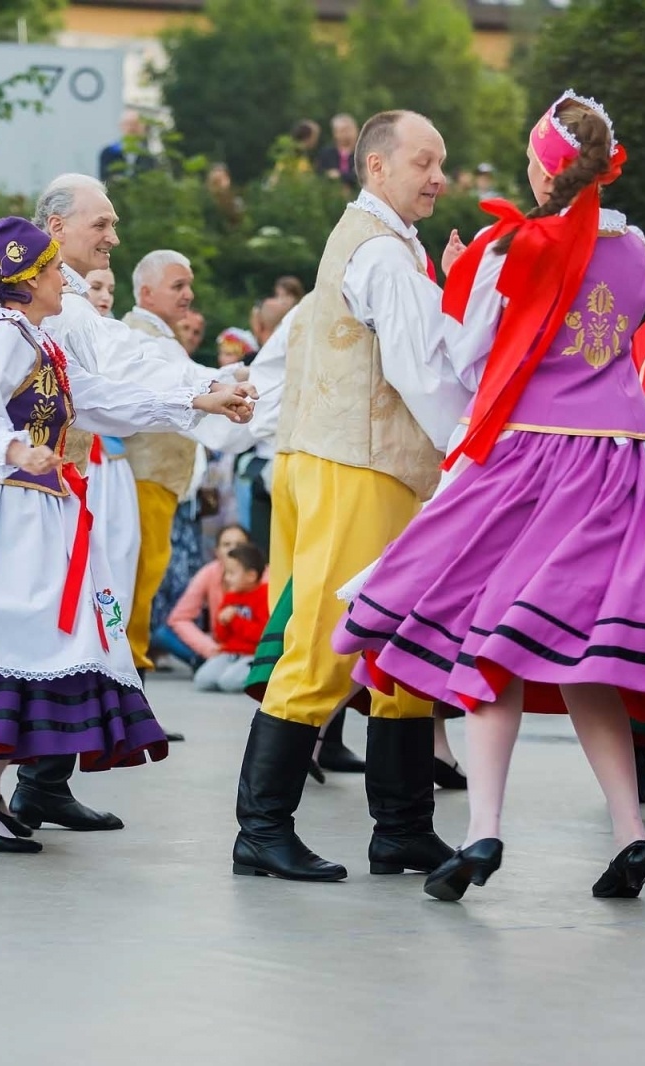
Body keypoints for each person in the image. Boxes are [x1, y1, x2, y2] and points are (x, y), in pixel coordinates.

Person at [335, 93, 645, 901]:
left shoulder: (505, 246)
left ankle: (483, 831)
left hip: (531, 463)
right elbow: (626, 314)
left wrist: (461, 277)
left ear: (540, 164)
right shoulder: (635, 251)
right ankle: (629, 832)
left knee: (492, 646)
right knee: (585, 656)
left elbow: (462, 361)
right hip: (625, 465)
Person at [0, 216, 252, 852]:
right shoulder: (5, 335)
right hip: (3, 513)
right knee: (11, 647)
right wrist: (14, 449)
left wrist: (195, 403)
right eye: (57, 269)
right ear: (27, 280)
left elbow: (98, 397)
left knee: (20, 652)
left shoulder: (36, 338)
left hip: (31, 510)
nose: (68, 278)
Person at [230, 110, 468, 885]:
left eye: (441, 164)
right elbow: (419, 370)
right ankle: (261, 830)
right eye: (425, 162)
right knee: (326, 644)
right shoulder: (384, 255)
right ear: (376, 167)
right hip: (358, 467)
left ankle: (401, 830)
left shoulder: (378, 242)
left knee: (397, 648)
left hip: (338, 461)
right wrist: (472, 449)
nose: (439, 177)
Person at [122, 250, 207, 678]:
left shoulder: (160, 335)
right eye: (178, 286)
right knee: (137, 582)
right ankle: (130, 686)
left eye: (188, 284)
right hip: (144, 476)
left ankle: (133, 689)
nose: (188, 294)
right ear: (146, 292)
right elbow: (193, 384)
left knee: (145, 580)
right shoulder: (140, 336)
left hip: (157, 480)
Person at [165, 523, 251, 666]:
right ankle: (201, 661)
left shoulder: (263, 576)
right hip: (218, 646)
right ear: (216, 551)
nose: (233, 549)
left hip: (252, 646)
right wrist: (208, 647)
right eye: (226, 544)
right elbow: (179, 618)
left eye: (239, 544)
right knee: (162, 634)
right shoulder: (208, 573)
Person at [192, 542, 268, 693]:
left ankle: (261, 677)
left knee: (229, 683)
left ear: (251, 575)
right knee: (203, 680)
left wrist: (235, 619)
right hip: (229, 653)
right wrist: (223, 622)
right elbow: (221, 637)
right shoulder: (230, 596)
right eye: (225, 573)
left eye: (232, 573)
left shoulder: (264, 594)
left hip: (252, 654)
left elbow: (262, 634)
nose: (226, 578)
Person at [99, 110, 154, 180]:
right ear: (121, 126)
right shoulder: (108, 153)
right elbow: (105, 180)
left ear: (143, 128)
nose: (132, 128)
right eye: (128, 124)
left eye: (136, 124)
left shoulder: (148, 156)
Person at [316, 113, 361, 190]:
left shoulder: (363, 154)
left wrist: (339, 176)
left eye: (349, 129)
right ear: (335, 133)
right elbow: (320, 174)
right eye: (342, 130)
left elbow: (361, 176)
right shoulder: (326, 154)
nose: (346, 134)